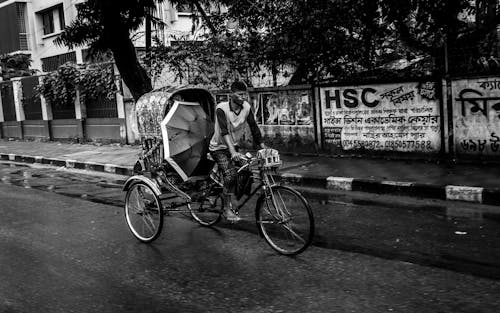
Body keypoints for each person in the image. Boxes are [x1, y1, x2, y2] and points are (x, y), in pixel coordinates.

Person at [209, 80, 267, 222]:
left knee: (247, 171)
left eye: (245, 94)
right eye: (240, 94)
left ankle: (223, 190)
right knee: (230, 175)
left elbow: (253, 127)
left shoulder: (246, 107)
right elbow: (224, 132)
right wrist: (233, 152)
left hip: (234, 147)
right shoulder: (221, 108)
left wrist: (263, 146)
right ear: (231, 95)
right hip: (218, 148)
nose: (244, 97)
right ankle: (226, 209)